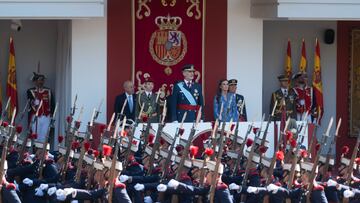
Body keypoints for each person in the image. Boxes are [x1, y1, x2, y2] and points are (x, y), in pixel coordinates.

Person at [27, 72, 55, 143]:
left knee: (45, 136)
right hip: (36, 116)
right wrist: (34, 102)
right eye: (40, 80)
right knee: (35, 136)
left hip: (46, 116)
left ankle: (43, 152)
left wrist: (52, 115)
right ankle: (35, 152)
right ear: (35, 81)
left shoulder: (48, 91)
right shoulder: (30, 91)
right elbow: (29, 102)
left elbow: (52, 104)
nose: (41, 82)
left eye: (42, 80)